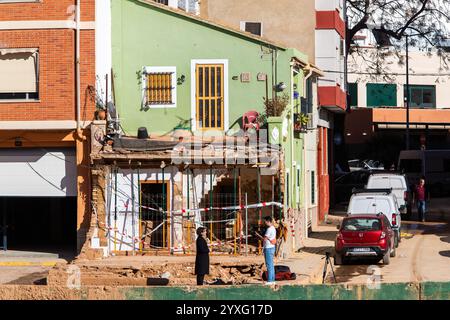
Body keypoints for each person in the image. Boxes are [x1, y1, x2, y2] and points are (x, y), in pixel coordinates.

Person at [257, 216, 277, 285]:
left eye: (265, 222)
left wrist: (260, 237)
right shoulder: (273, 228)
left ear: (268, 221)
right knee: (271, 264)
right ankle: (272, 280)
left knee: (269, 265)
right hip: (272, 247)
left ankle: (269, 281)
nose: (265, 223)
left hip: (268, 248)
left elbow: (265, 239)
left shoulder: (269, 229)